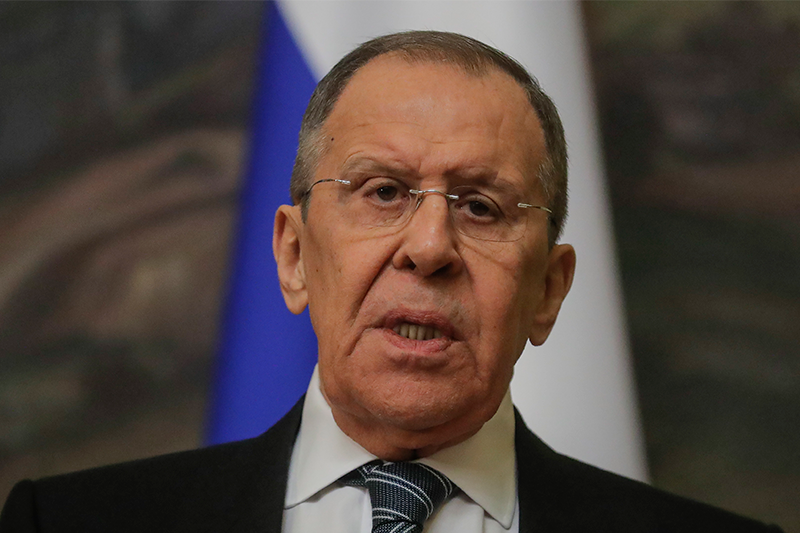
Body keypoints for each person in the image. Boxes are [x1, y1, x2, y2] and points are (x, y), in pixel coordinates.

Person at [0, 31, 782, 533]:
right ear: (294, 255)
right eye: (382, 191)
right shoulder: (65, 524)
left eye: (481, 206)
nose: (430, 247)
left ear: (548, 289)